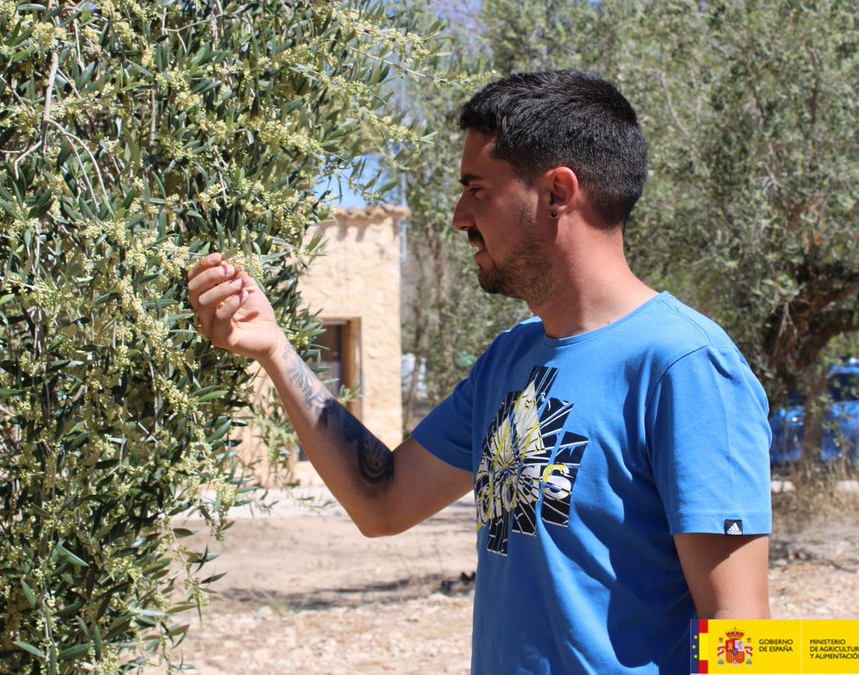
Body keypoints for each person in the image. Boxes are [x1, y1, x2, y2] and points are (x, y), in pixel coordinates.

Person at [188, 70, 771, 673]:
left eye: (478, 189)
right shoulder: (509, 361)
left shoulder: (686, 368)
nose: (460, 216)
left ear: (556, 194)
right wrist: (275, 350)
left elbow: (742, 640)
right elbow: (382, 501)